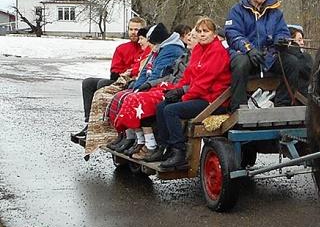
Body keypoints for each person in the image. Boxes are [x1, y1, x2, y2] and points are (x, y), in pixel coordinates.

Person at [155, 17, 232, 169]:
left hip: (213, 100)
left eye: (206, 31)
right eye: (199, 31)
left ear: (214, 34)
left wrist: (183, 97)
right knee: (161, 106)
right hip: (198, 95)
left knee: (171, 111)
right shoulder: (198, 50)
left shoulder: (217, 52)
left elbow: (204, 83)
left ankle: (180, 152)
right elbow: (188, 76)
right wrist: (176, 91)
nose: (202, 34)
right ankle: (164, 147)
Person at [225, 0, 305, 111]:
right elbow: (232, 33)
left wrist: (281, 40)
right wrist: (248, 48)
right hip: (245, 54)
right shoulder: (237, 10)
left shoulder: (276, 12)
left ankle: (282, 104)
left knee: (292, 63)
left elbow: (283, 32)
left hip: (269, 56)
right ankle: (238, 107)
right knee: (240, 63)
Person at [106, 23, 186, 154]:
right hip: (157, 84)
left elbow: (160, 73)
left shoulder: (171, 50)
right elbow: (145, 71)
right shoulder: (160, 49)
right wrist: (138, 87)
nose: (150, 46)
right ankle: (129, 137)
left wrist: (144, 88)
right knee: (122, 96)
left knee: (137, 100)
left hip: (165, 86)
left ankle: (147, 143)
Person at [71, 17, 148, 145]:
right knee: (89, 82)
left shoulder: (145, 47)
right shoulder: (122, 48)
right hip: (119, 78)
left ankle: (103, 124)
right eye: (131, 29)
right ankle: (90, 123)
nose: (133, 32)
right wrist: (123, 73)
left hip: (132, 81)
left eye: (137, 29)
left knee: (102, 85)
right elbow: (115, 70)